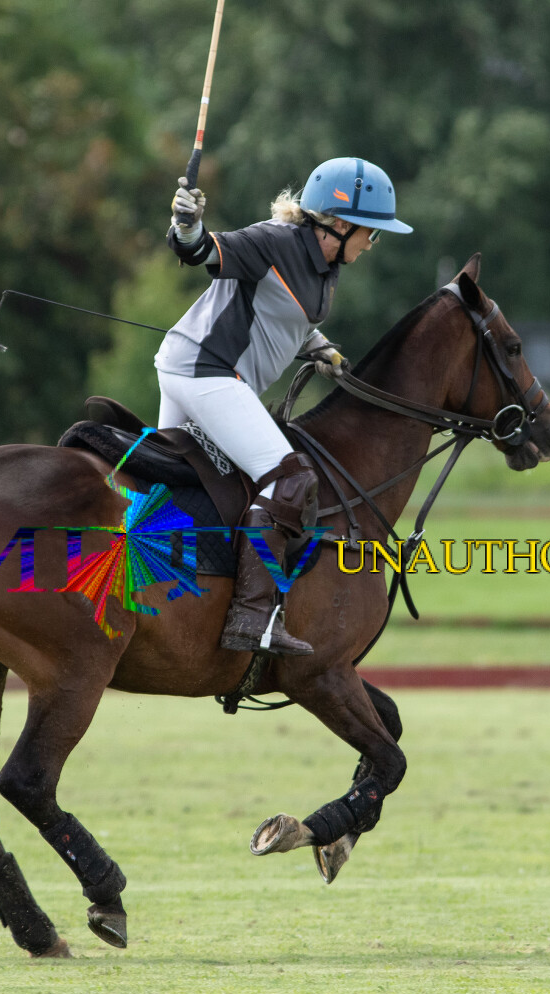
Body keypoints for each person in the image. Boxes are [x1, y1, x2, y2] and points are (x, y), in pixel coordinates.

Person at [155, 157, 412, 656]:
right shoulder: (273, 241)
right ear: (340, 224)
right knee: (290, 479)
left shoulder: (327, 265)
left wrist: (318, 346)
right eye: (371, 232)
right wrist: (186, 224)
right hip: (205, 372)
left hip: (202, 373)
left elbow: (287, 312)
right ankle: (253, 618)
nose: (372, 243)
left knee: (183, 496)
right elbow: (201, 250)